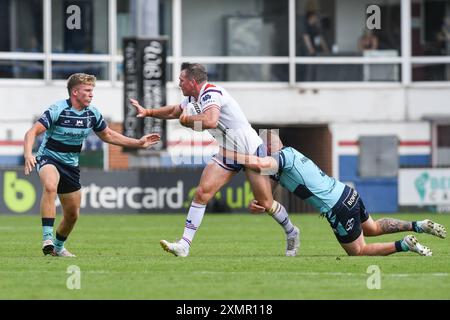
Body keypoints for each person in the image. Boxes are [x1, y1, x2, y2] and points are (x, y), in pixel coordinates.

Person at [130, 63, 299, 257]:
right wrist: (149, 112)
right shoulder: (193, 98)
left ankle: (291, 231)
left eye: (181, 80)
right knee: (202, 193)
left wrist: (188, 122)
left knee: (265, 202)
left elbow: (210, 121)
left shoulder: (211, 93)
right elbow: (174, 111)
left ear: (193, 82)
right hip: (228, 152)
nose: (179, 84)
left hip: (251, 150)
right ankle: (184, 245)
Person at [231, 131, 446, 256]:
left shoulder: (281, 158)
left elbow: (259, 164)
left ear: (270, 150)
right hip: (347, 193)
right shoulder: (287, 158)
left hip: (336, 206)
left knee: (358, 250)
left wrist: (229, 154)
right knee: (372, 228)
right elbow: (272, 188)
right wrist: (263, 201)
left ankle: (404, 244)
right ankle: (417, 225)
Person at [24, 73, 161, 257]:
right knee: (50, 186)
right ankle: (47, 238)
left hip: (71, 165)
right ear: (75, 92)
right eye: (87, 90)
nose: (91, 94)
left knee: (72, 215)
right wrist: (28, 155)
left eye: (92, 91)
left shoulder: (92, 114)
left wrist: (138, 143)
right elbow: (32, 132)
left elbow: (109, 135)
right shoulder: (58, 109)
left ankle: (57, 247)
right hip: (49, 158)